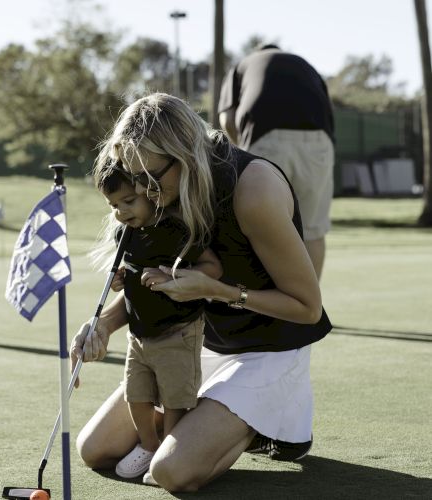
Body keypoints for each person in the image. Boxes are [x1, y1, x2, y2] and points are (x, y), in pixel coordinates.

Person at [70, 93, 332, 492]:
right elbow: (156, 281)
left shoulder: (253, 189)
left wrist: (215, 289)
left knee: (171, 472)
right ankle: (209, 422)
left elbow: (307, 308)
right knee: (95, 449)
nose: (144, 191)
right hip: (195, 344)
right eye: (134, 177)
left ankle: (261, 423)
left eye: (151, 177)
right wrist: (103, 324)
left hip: (268, 350)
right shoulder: (164, 189)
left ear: (185, 154)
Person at [94, 165, 222, 481]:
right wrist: (124, 280)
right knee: (136, 396)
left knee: (176, 400)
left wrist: (170, 276)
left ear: (148, 193)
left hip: (178, 331)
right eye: (114, 206)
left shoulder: (176, 231)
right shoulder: (124, 234)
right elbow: (136, 271)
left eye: (128, 201)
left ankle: (170, 451)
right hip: (139, 336)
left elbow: (212, 268)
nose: (121, 212)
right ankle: (150, 446)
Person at [218, 44, 335, 279]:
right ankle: (309, 309)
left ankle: (266, 306)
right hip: (319, 143)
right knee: (312, 231)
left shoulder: (243, 65)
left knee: (258, 227)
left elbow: (227, 118)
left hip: (266, 138)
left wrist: (242, 155)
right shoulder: (306, 66)